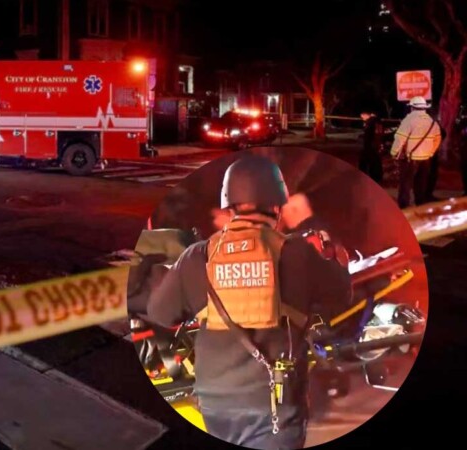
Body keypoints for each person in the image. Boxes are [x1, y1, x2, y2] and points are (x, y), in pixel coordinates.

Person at [146, 155, 352, 449]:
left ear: (230, 206)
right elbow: (342, 295)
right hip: (272, 405)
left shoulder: (198, 255)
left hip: (215, 404)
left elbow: (159, 312)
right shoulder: (295, 253)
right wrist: (312, 227)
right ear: (277, 206)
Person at [389, 96, 442, 208]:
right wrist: (431, 152)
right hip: (426, 159)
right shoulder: (432, 122)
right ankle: (420, 206)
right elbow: (437, 139)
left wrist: (394, 153)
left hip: (410, 158)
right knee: (421, 185)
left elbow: (400, 139)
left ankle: (404, 208)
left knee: (405, 185)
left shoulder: (408, 121)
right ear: (424, 108)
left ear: (412, 107)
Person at [359, 110, 384, 185]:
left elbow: (369, 135)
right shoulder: (378, 121)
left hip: (370, 146)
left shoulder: (370, 122)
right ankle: (377, 177)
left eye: (362, 116)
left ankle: (367, 177)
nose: (362, 118)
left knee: (367, 162)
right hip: (376, 145)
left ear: (366, 114)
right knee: (376, 162)